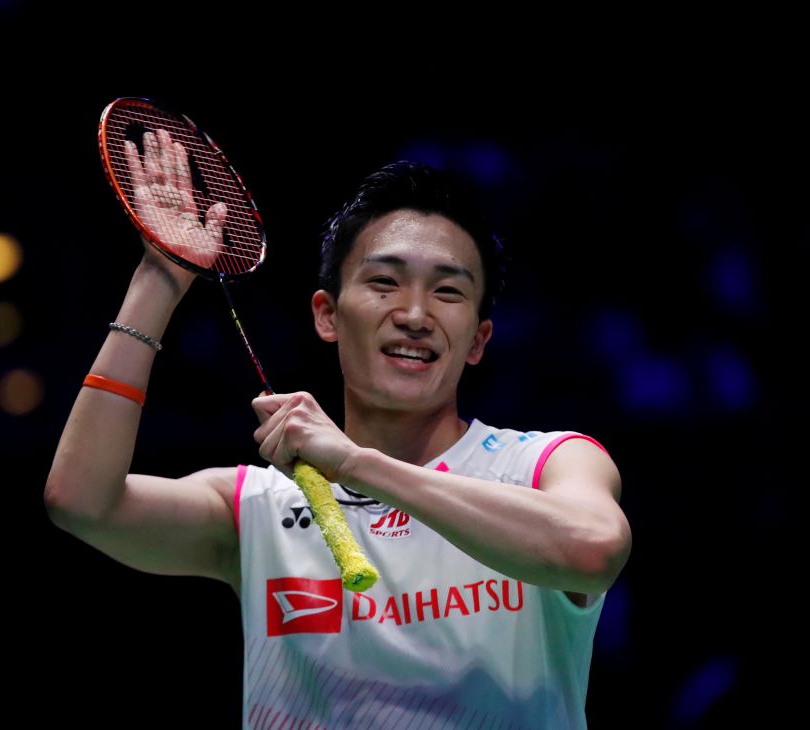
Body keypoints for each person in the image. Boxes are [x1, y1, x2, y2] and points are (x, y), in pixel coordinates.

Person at [45, 149, 632, 729]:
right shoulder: (258, 508)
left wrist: (356, 464)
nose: (415, 313)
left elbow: (592, 550)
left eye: (448, 292)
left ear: (477, 340)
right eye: (384, 282)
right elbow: (82, 502)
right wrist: (161, 278)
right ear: (327, 315)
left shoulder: (540, 464)